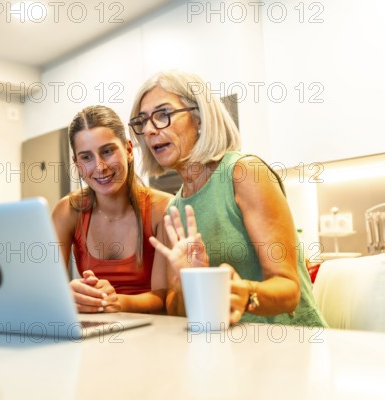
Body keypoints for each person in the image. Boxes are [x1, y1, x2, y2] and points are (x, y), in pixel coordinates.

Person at [128, 71, 327, 327]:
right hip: (230, 353)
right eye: (142, 122)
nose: (149, 130)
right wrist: (186, 279)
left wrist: (243, 293)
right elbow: (176, 313)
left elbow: (288, 290)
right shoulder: (174, 210)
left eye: (162, 115)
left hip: (292, 347)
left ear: (199, 118)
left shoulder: (245, 174)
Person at [52, 105, 172, 314]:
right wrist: (70, 294)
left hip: (152, 331)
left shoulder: (161, 209)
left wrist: (117, 302)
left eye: (107, 151)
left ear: (128, 149)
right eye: (86, 157)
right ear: (76, 163)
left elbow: (164, 298)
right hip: (95, 329)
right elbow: (49, 289)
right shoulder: (68, 211)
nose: (99, 167)